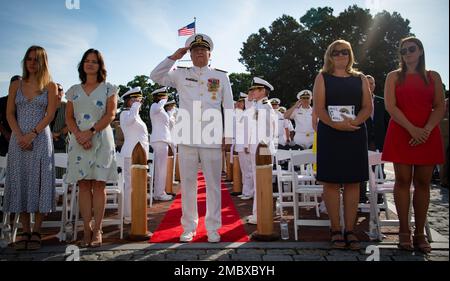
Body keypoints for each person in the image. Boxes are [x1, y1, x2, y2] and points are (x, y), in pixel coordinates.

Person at [150, 33, 234, 243]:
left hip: (212, 137)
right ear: (190, 53)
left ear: (209, 53)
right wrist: (174, 57)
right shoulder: (180, 73)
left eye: (202, 51)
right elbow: (155, 75)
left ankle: (213, 228)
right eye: (194, 51)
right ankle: (189, 227)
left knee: (213, 185)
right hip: (186, 136)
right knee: (188, 185)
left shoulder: (221, 76)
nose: (199, 54)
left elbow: (229, 107)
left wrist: (229, 135)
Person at [382, 37, 445, 253]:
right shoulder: (393, 77)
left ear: (420, 51)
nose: (407, 53)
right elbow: (390, 106)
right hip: (401, 131)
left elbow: (439, 106)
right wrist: (412, 129)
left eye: (411, 49)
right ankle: (403, 232)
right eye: (403, 50)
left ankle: (420, 233)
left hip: (427, 133)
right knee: (402, 180)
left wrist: (425, 130)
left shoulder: (433, 76)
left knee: (423, 183)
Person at [313, 39, 372, 250]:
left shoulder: (360, 78)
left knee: (353, 182)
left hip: (355, 132)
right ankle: (335, 228)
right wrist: (336, 126)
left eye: (345, 51)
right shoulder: (323, 77)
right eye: (336, 52)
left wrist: (353, 122)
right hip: (330, 133)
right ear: (330, 55)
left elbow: (367, 107)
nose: (340, 55)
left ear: (350, 54)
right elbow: (319, 108)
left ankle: (350, 230)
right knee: (330, 182)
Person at [4, 46, 58, 250]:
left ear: (43, 62)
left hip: (40, 140)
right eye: (28, 58)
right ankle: (24, 231)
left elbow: (50, 115)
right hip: (18, 141)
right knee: (21, 181)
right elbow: (9, 113)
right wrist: (20, 136)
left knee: (40, 182)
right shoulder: (15, 84)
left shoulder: (50, 86)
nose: (32, 62)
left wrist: (32, 135)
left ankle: (37, 230)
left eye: (36, 59)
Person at [65, 48, 118, 248]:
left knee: (99, 184)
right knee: (84, 185)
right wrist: (79, 135)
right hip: (78, 141)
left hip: (101, 140)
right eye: (87, 60)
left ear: (100, 65)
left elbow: (110, 114)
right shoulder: (73, 90)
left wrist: (91, 132)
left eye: (94, 61)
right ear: (82, 64)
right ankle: (85, 230)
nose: (90, 64)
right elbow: (69, 117)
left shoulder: (109, 89)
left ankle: (97, 230)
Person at [244, 77, 277, 225]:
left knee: (262, 182)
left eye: (254, 89)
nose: (251, 92)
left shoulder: (265, 106)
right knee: (259, 182)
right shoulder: (257, 105)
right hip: (255, 147)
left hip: (262, 148)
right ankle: (258, 213)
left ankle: (261, 214)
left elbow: (268, 130)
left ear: (263, 91)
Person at [119, 87, 150, 224]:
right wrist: (136, 106)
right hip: (130, 154)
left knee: (137, 186)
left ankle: (135, 213)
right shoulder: (125, 114)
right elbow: (129, 122)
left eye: (139, 100)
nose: (139, 102)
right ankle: (128, 216)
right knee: (130, 186)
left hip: (139, 156)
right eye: (135, 99)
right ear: (128, 101)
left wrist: (136, 106)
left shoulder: (134, 114)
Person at [149, 87, 175, 202]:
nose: (166, 98)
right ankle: (160, 193)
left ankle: (158, 192)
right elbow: (158, 108)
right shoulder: (155, 106)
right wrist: (163, 100)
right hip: (159, 140)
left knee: (161, 168)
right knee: (161, 168)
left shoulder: (161, 109)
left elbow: (169, 124)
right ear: (159, 96)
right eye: (164, 95)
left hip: (162, 139)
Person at [0, 76, 21, 156]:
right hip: (5, 141)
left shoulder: (24, 103)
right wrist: (6, 134)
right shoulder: (2, 101)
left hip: (22, 140)